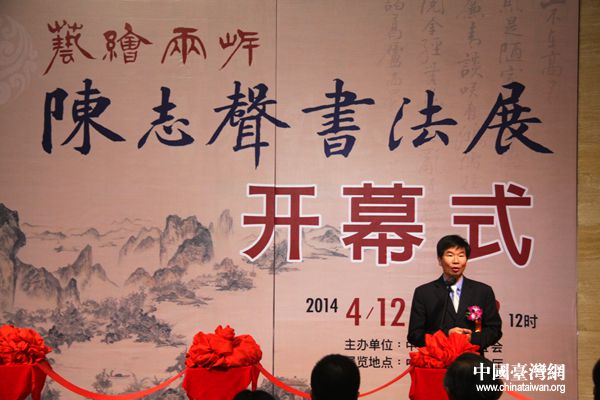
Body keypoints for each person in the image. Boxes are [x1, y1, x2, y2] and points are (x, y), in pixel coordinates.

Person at [407, 235, 502, 352]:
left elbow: (494, 330)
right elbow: (414, 335)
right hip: (438, 360)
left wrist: (472, 338)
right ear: (439, 260)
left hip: (471, 359)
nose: (456, 261)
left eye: (461, 255)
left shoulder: (483, 291)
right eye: (450, 255)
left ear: (466, 259)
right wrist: (446, 334)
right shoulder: (424, 292)